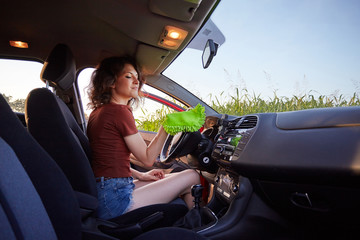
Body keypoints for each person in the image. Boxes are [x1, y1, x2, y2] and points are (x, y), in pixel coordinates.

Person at [87, 56, 200, 220]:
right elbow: (147, 159)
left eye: (137, 77)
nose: (136, 81)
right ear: (111, 82)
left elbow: (107, 161)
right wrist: (165, 127)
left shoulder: (97, 113)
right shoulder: (119, 111)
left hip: (107, 191)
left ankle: (191, 228)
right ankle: (198, 232)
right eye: (128, 76)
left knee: (178, 175)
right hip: (115, 200)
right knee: (193, 177)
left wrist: (140, 176)